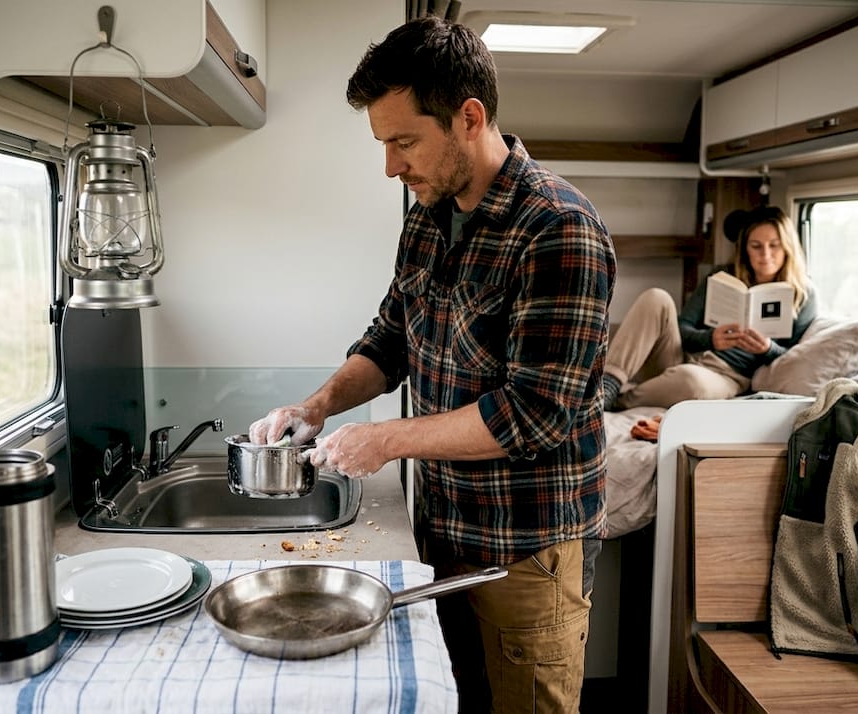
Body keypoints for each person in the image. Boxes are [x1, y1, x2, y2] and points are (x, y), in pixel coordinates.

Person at [246, 16, 615, 714]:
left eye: (404, 141)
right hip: (443, 529)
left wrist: (384, 440)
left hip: (527, 551)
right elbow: (390, 339)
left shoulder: (560, 229)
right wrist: (315, 407)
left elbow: (532, 414)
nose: (391, 165)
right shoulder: (428, 213)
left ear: (469, 118)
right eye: (384, 145)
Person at [602, 204, 815, 409]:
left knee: (692, 382)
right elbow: (683, 328)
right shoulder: (721, 278)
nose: (765, 254)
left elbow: (795, 358)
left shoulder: (803, 293)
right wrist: (710, 338)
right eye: (756, 246)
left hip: (726, 375)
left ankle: (620, 401)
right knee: (656, 297)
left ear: (788, 246)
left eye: (774, 245)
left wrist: (768, 348)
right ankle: (607, 386)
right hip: (682, 358)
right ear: (745, 248)